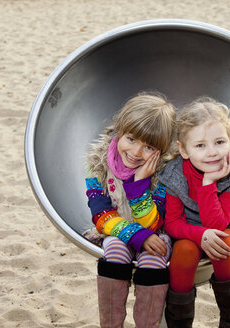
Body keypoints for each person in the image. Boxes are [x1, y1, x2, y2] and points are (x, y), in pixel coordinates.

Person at [158, 97, 230, 328]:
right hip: (189, 227)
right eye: (200, 145)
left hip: (228, 223)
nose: (212, 153)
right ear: (183, 150)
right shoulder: (175, 174)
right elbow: (172, 221)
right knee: (183, 251)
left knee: (222, 245)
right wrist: (198, 235)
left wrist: (208, 183)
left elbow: (218, 223)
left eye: (220, 142)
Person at [83, 92, 177, 328]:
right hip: (116, 230)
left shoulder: (165, 173)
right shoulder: (98, 163)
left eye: (149, 147)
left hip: (155, 233)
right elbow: (100, 215)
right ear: (119, 131)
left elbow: (153, 225)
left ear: (162, 150)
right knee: (114, 250)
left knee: (155, 257)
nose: (136, 152)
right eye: (132, 139)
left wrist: (139, 185)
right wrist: (135, 235)